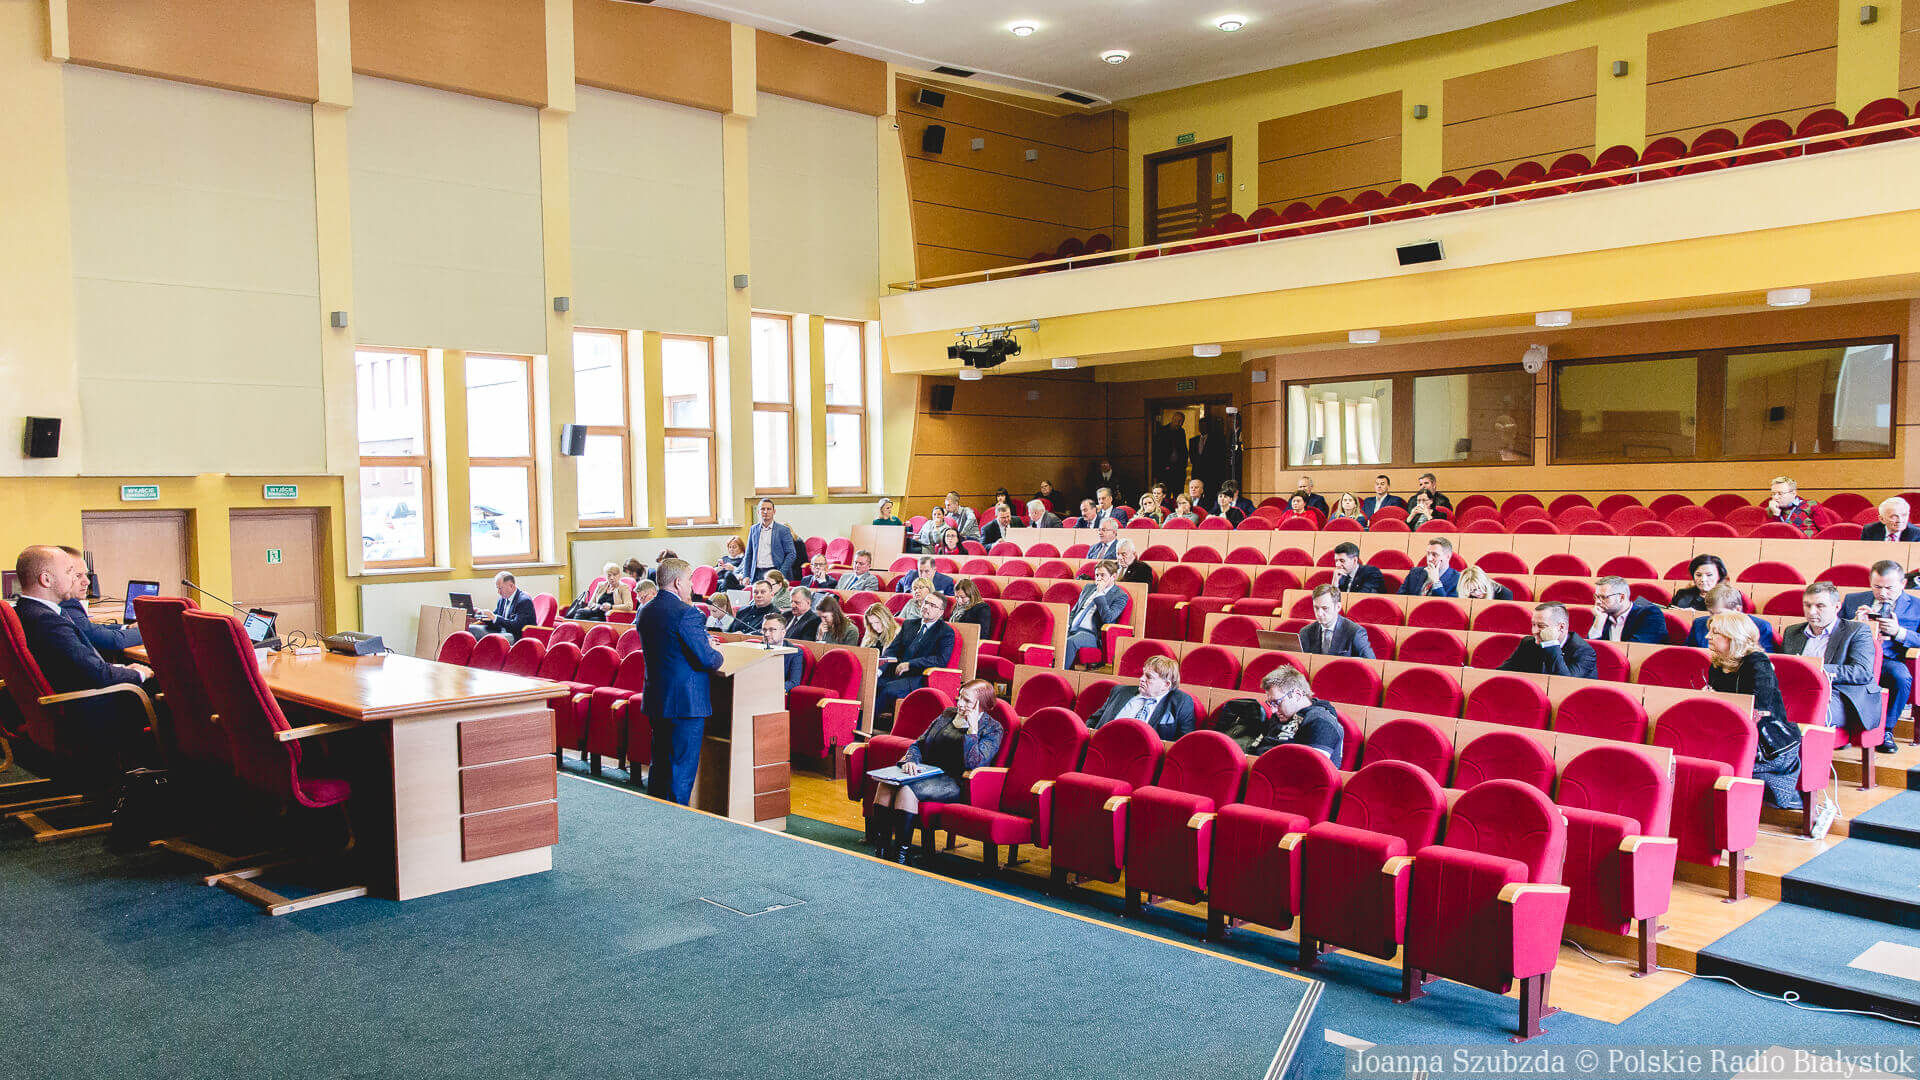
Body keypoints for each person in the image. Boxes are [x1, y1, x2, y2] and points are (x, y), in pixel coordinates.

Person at [1708, 612, 1827, 832]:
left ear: (1733, 636)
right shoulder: (1716, 662)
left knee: (1717, 758)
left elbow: (1758, 709)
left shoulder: (1757, 661)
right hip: (1734, 731)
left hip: (1769, 738)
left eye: (1715, 632)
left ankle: (1738, 822)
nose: (1707, 636)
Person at [869, 678, 1005, 862]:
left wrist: (972, 730)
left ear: (981, 706)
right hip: (926, 772)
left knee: (906, 791)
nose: (959, 703)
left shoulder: (993, 728)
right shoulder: (948, 714)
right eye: (960, 697)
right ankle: (881, 851)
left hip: (955, 781)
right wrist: (912, 761)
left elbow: (974, 763)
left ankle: (901, 857)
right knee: (886, 786)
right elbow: (919, 744)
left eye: (966, 701)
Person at [635, 558, 728, 805]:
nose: (691, 586)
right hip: (685, 703)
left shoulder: (645, 611)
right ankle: (678, 828)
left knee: (661, 766)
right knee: (681, 772)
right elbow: (709, 660)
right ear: (677, 582)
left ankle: (657, 822)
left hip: (657, 698)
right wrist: (714, 650)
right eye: (689, 580)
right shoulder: (687, 613)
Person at [12, 545, 155, 694]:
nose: (74, 578)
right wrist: (139, 673)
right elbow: (98, 676)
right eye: (69, 572)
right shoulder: (47, 621)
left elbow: (80, 667)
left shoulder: (25, 610)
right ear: (46, 580)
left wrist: (119, 668)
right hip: (89, 705)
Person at [1783, 582, 1882, 737]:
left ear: (1837, 607)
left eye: (1820, 606)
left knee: (1807, 708)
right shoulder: (1792, 632)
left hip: (1840, 693)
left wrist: (1815, 670)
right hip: (1798, 693)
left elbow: (1862, 672)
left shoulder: (1857, 630)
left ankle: (1809, 758)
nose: (1811, 611)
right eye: (1807, 605)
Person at [1841, 560, 1919, 754]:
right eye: (1877, 587)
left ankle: (1886, 730)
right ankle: (1843, 729)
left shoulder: (1917, 606)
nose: (1883, 593)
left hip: (1889, 659)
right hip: (1854, 658)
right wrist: (1854, 625)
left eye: (1889, 588)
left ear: (1902, 584)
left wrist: (1899, 632)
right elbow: (1834, 630)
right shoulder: (1852, 600)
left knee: (1901, 677)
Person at [875, 592, 957, 720]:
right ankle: (860, 722)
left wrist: (911, 664)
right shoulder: (909, 624)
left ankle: (867, 725)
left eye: (932, 605)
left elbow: (941, 660)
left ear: (941, 612)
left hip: (919, 677)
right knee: (873, 682)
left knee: (888, 689)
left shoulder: (945, 632)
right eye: (926, 603)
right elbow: (892, 650)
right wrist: (880, 669)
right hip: (896, 673)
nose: (926, 607)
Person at [1087, 654, 1196, 741]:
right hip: (1104, 745)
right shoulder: (1120, 691)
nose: (1141, 678)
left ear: (1166, 685)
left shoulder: (1181, 702)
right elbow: (1093, 721)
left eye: (1149, 677)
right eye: (1143, 674)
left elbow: (1183, 742)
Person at [1251, 666, 1344, 762]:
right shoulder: (1279, 717)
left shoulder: (1321, 721)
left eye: (1277, 702)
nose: (1273, 710)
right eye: (1271, 703)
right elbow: (1254, 749)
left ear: (1297, 695)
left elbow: (1313, 767)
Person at [1499, 601, 1598, 677]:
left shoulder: (1584, 652)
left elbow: (1563, 683)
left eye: (1541, 626)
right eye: (1533, 625)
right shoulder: (1528, 643)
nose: (1534, 631)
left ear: (1561, 627)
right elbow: (1502, 672)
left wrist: (1551, 644)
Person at [1064, 561, 1128, 669]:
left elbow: (1108, 618)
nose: (1098, 578)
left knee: (1070, 642)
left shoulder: (1120, 596)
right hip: (1072, 629)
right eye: (1097, 575)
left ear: (1113, 576)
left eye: (1103, 575)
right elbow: (1074, 612)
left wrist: (1099, 594)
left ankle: (1059, 674)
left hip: (1092, 634)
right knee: (1056, 638)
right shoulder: (1088, 588)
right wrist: (1068, 625)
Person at [1685, 584, 1776, 652]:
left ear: (1737, 609)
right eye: (1711, 613)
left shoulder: (1760, 626)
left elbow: (1764, 661)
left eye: (1719, 614)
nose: (1714, 619)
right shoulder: (1699, 624)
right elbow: (1689, 655)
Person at [1298, 584, 1376, 658]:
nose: (1319, 614)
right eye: (1316, 608)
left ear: (1338, 607)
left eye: (1325, 608)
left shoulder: (1354, 632)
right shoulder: (1306, 632)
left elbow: (1370, 663)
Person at [1589, 576, 1668, 644]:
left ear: (1621, 598)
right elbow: (1589, 652)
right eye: (1596, 597)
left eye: (1603, 597)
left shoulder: (1650, 614)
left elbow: (1634, 649)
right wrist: (1598, 623)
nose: (1598, 602)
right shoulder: (1602, 615)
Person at [468, 571, 537, 640]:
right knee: (472, 629)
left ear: (511, 586)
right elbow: (495, 618)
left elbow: (517, 626)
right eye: (497, 588)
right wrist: (481, 614)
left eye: (500, 588)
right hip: (502, 631)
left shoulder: (524, 601)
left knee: (490, 638)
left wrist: (494, 617)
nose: (498, 592)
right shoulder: (503, 599)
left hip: (516, 635)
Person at [745, 498, 798, 581]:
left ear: (774, 512)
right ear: (758, 512)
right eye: (762, 509)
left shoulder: (783, 530)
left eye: (769, 509)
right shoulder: (753, 529)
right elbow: (749, 554)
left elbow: (791, 554)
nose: (765, 512)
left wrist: (781, 573)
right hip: (757, 573)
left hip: (776, 571)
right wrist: (746, 575)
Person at [756, 613, 805, 694]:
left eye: (772, 630)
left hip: (776, 693)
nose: (767, 634)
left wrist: (775, 689)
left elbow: (794, 682)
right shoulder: (755, 648)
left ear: (783, 632)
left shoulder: (795, 652)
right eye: (764, 630)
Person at [1154, 414, 1188, 490]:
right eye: (1178, 421)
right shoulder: (1162, 431)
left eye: (1181, 422)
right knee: (1166, 495)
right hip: (1165, 470)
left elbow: (1183, 450)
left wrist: (1183, 465)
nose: (1179, 424)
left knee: (1178, 494)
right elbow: (1157, 452)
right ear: (1173, 420)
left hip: (1178, 470)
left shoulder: (1181, 432)